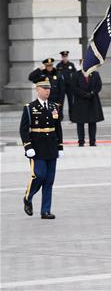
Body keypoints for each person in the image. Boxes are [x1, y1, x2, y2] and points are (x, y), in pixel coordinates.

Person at [20, 79, 63, 219]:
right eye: (44, 88)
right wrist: (27, 146)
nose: (47, 91)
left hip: (51, 147)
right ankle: (28, 197)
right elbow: (23, 129)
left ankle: (45, 211)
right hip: (37, 148)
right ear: (37, 90)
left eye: (49, 88)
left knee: (49, 180)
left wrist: (60, 146)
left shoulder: (53, 106)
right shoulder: (29, 107)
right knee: (39, 175)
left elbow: (58, 128)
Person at [72, 64, 103, 146]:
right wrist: (84, 94)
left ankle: (92, 141)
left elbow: (99, 85)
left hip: (92, 101)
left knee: (92, 122)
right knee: (80, 123)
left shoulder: (95, 74)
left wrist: (92, 93)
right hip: (80, 101)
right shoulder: (76, 75)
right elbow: (74, 87)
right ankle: (81, 141)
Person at [56, 51, 78, 121]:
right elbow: (56, 77)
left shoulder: (71, 65)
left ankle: (72, 117)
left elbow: (75, 75)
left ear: (67, 57)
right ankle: (60, 117)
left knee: (71, 102)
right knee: (60, 102)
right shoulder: (59, 65)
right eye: (63, 57)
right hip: (61, 87)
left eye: (66, 56)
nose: (65, 58)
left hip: (70, 87)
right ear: (62, 57)